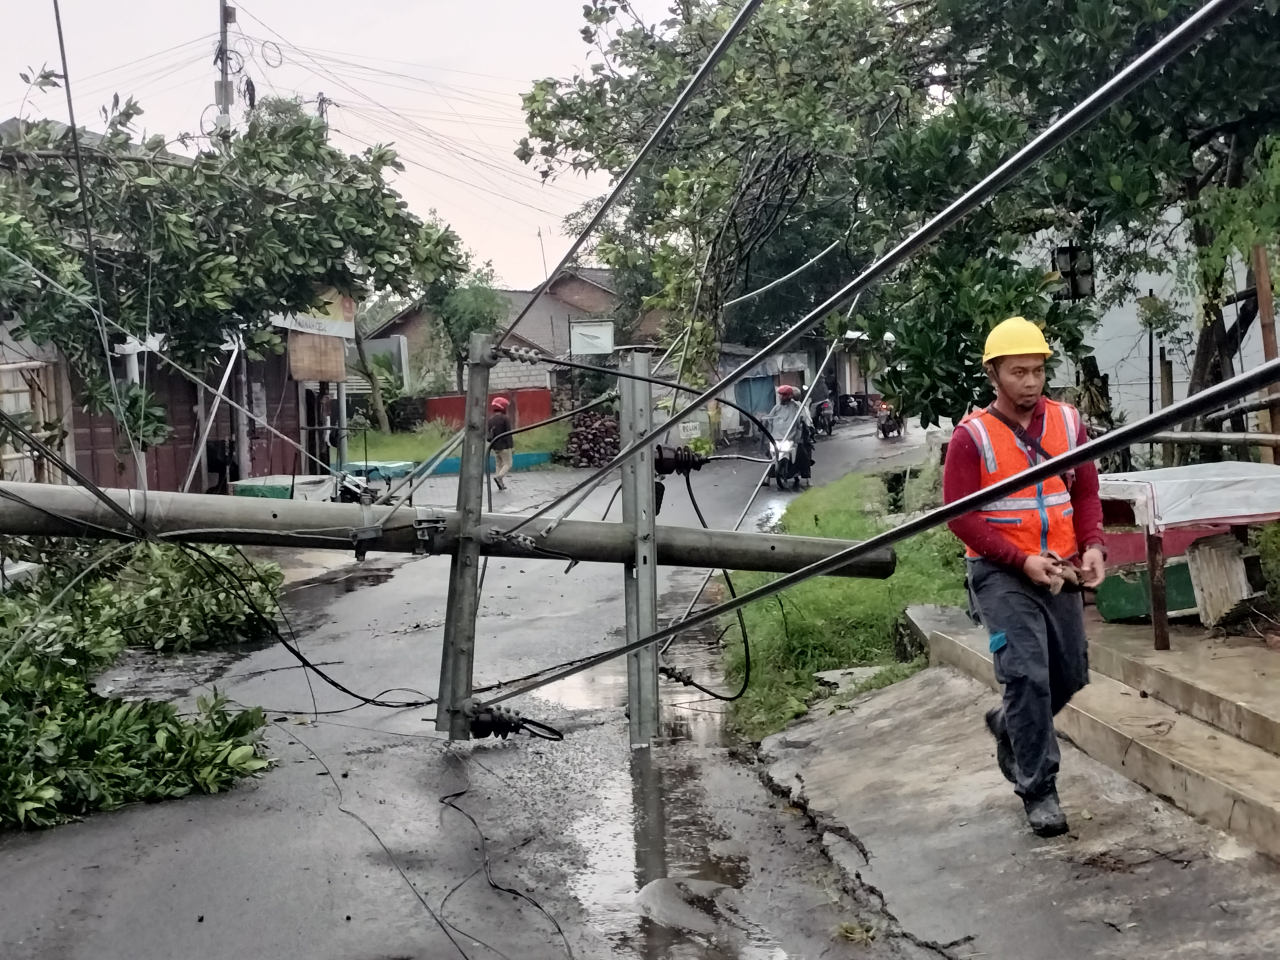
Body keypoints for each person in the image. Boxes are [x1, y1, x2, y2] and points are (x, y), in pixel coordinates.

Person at [942, 316, 1107, 837]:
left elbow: (1083, 491)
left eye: (1037, 371)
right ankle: (1039, 790)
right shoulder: (972, 438)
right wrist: (1019, 560)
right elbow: (960, 516)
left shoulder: (1066, 423)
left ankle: (1009, 723)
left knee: (1071, 673)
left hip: (1059, 567)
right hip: (1000, 573)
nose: (1031, 382)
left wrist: (1094, 545)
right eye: (1018, 372)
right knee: (1027, 677)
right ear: (994, 374)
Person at [487, 397, 514, 491]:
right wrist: (511, 446)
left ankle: (500, 483)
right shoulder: (505, 419)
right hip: (505, 446)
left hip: (495, 446)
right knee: (508, 463)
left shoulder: (491, 420)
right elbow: (508, 433)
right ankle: (499, 477)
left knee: (498, 464)